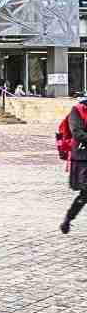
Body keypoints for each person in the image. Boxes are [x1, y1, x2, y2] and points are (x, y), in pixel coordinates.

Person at [62, 96, 87, 234]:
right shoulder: (77, 110)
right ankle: (68, 218)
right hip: (83, 158)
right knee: (85, 193)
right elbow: (77, 133)